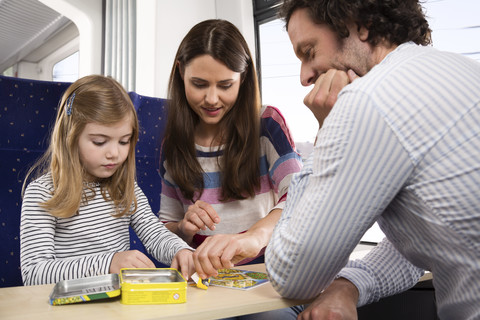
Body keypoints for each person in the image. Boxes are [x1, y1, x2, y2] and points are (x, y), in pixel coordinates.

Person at [265, 1, 480, 319]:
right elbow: (427, 242)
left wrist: (325, 132)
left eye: (309, 51)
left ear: (360, 25)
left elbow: (293, 275)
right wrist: (348, 285)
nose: (304, 77)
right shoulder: (462, 70)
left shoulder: (368, 98)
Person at [158, 19, 304, 319]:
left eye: (226, 85)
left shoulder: (267, 125)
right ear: (180, 72)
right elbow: (166, 228)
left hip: (268, 273)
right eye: (199, 84)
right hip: (205, 283)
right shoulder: (174, 143)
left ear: (244, 78)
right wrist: (185, 227)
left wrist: (253, 236)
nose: (212, 99)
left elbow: (300, 197)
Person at [20, 75, 194, 286]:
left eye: (124, 141)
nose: (114, 153)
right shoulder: (42, 192)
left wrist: (181, 250)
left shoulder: (125, 188)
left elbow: (155, 234)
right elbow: (34, 274)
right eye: (100, 142)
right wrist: (108, 263)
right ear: (70, 138)